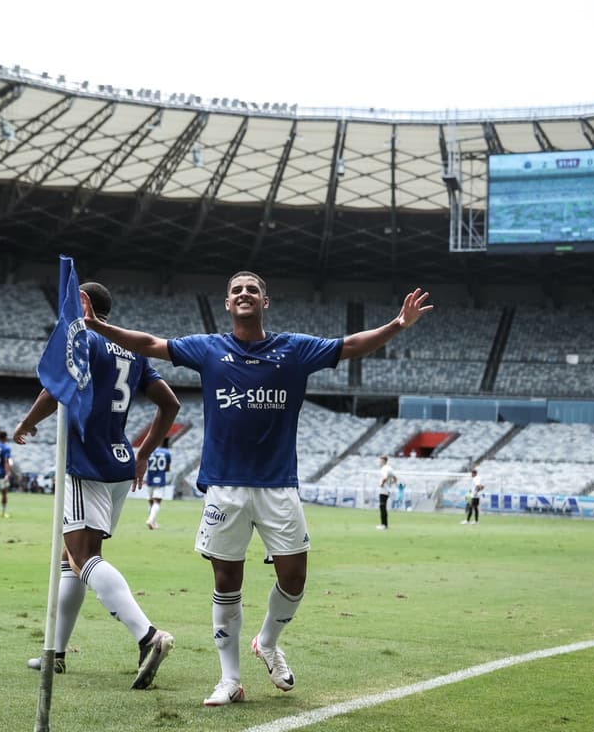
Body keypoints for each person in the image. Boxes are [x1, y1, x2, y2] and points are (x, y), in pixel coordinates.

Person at [83, 271, 432, 706]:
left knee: (295, 576)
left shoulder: (295, 349)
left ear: (265, 302)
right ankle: (229, 680)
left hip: (278, 486)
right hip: (225, 488)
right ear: (227, 304)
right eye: (236, 291)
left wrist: (397, 325)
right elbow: (151, 344)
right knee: (226, 580)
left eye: (252, 290)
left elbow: (351, 345)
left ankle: (267, 641)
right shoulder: (209, 348)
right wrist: (99, 327)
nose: (244, 294)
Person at [15, 281, 180, 690]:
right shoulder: (132, 348)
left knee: (83, 556)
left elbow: (55, 390)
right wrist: (143, 454)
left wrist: (28, 422)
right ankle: (55, 653)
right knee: (73, 561)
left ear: (85, 303)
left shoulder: (82, 338)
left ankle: (148, 636)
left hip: (84, 462)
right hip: (121, 463)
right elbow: (170, 404)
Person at [144, 437, 172, 530]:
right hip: (160, 479)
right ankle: (150, 520)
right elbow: (167, 468)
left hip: (150, 478)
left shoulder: (150, 451)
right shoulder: (167, 452)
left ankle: (153, 522)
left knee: (151, 502)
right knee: (157, 502)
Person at [376, 455, 397, 529]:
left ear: (383, 461)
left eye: (380, 461)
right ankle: (385, 524)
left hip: (383, 490)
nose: (379, 462)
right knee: (383, 506)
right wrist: (392, 483)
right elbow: (395, 477)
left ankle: (383, 525)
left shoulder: (384, 469)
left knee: (382, 506)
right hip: (388, 490)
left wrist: (381, 484)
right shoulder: (390, 468)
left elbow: (384, 477)